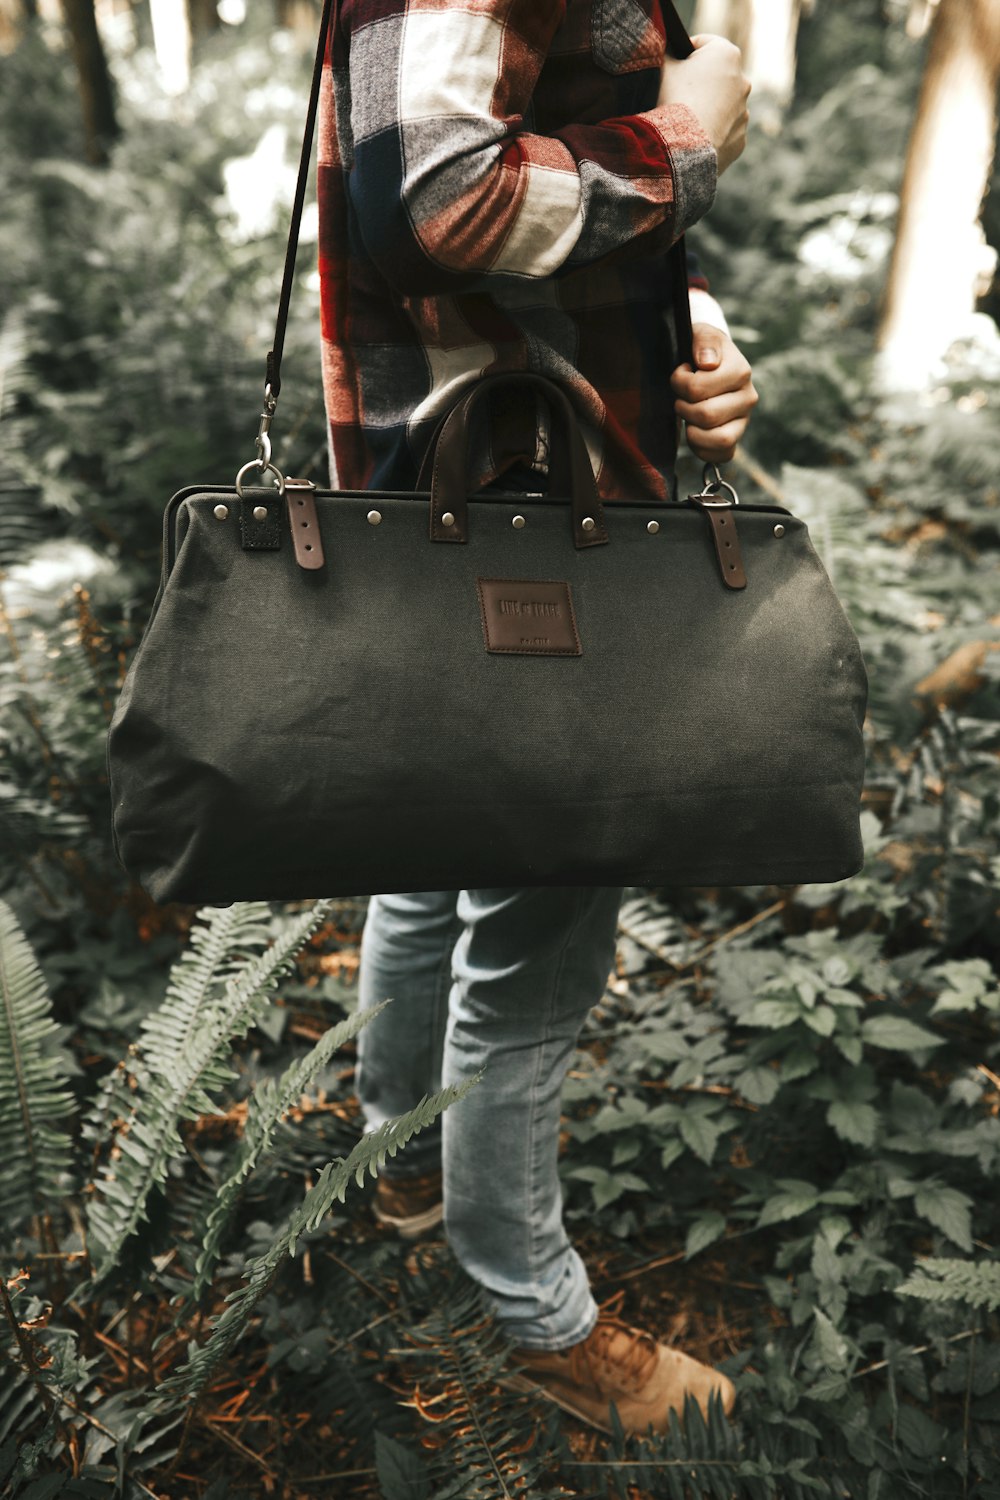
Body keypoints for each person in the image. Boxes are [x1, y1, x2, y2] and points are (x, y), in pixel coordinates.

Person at [317, 0, 757, 1437]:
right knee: (542, 911)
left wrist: (679, 310)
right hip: (525, 504)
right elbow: (443, 199)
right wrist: (692, 138)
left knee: (438, 839)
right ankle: (531, 1315)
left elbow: (473, 176)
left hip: (462, 473)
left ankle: (397, 1171)